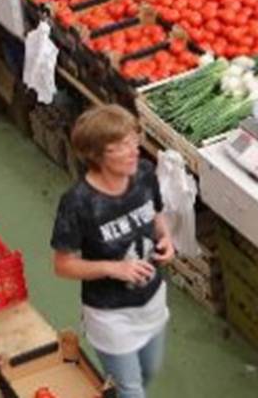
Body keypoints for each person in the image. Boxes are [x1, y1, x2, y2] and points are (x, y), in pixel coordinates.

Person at [51, 106, 173, 398]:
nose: (133, 151)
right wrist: (113, 268)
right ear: (96, 155)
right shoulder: (78, 203)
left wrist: (166, 238)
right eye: (120, 146)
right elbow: (63, 265)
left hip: (152, 300)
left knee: (148, 372)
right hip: (112, 314)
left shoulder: (144, 173)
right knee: (131, 389)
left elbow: (156, 213)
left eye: (133, 140)